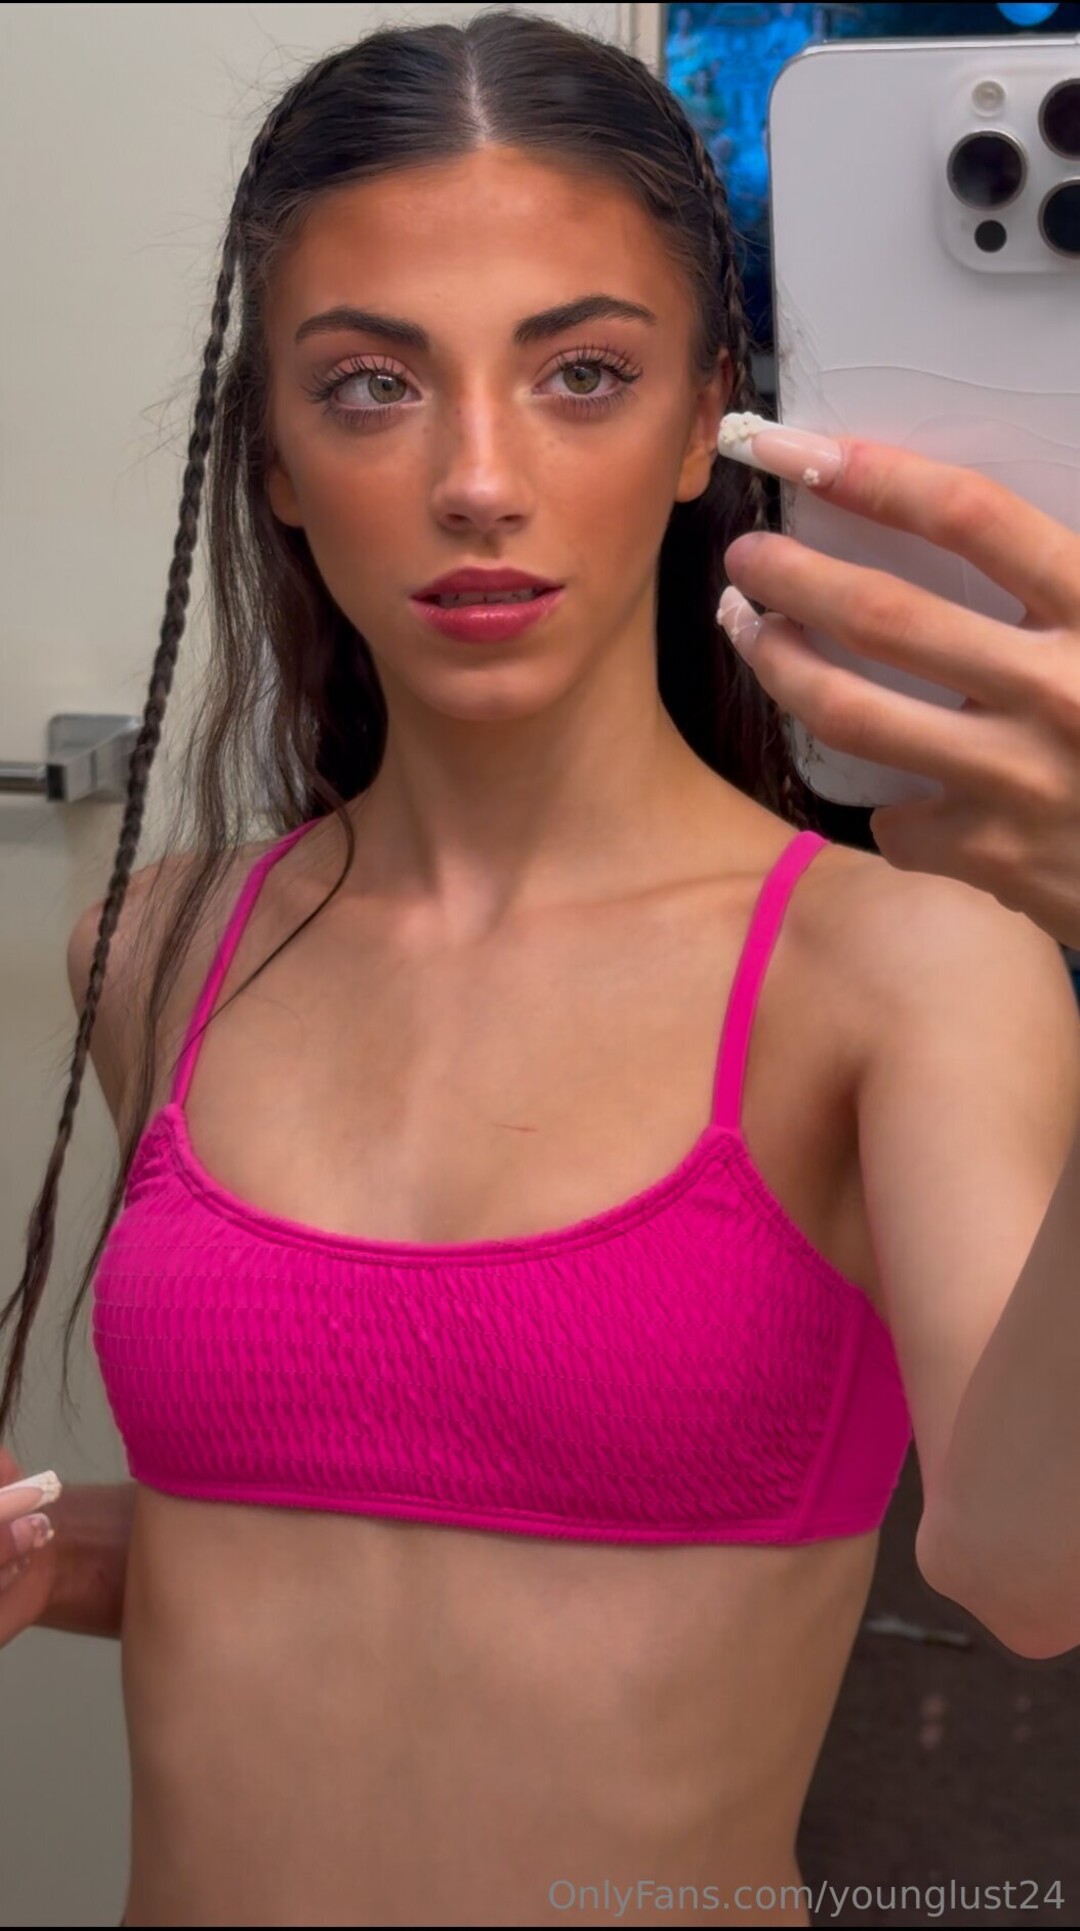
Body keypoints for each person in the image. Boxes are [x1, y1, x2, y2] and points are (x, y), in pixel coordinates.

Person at [3, 12, 1080, 1927]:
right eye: (372, 386)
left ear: (703, 421)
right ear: (273, 455)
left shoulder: (896, 970)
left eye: (583, 372)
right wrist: (57, 1555)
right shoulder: (159, 944)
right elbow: (340, 1550)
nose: (480, 481)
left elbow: (1032, 1568)